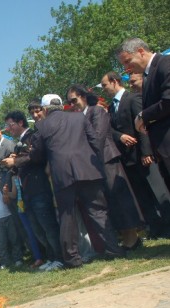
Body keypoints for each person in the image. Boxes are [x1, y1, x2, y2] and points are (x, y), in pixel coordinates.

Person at [29, 94, 126, 268]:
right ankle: (112, 248)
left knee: (67, 216)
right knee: (98, 211)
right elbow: (95, 141)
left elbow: (36, 155)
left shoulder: (42, 126)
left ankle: (72, 259)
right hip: (87, 170)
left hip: (62, 174)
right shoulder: (78, 117)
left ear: (44, 109)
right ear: (61, 105)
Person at [67, 84, 144, 250]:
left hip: (107, 159)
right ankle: (126, 237)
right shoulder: (81, 117)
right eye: (69, 103)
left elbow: (99, 137)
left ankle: (133, 238)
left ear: (84, 97)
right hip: (95, 164)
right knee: (111, 201)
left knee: (120, 198)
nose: (72, 105)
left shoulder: (97, 111)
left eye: (74, 100)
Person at [101, 71, 170, 238]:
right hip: (128, 159)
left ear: (114, 81)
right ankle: (156, 228)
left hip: (143, 155)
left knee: (158, 192)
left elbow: (143, 126)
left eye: (104, 85)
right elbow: (110, 130)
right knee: (142, 196)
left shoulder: (132, 98)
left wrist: (147, 151)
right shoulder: (111, 107)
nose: (103, 89)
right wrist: (120, 136)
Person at [2, 110, 63, 270]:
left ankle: (59, 258)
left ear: (20, 122)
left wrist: (15, 162)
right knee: (38, 228)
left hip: (39, 187)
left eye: (10, 125)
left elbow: (36, 157)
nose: (8, 129)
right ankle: (50, 257)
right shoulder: (18, 143)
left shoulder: (34, 136)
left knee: (48, 225)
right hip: (26, 191)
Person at [117, 37, 170, 182]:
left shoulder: (165, 63)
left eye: (128, 61)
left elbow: (169, 100)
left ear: (141, 51)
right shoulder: (148, 76)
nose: (127, 69)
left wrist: (143, 116)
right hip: (163, 152)